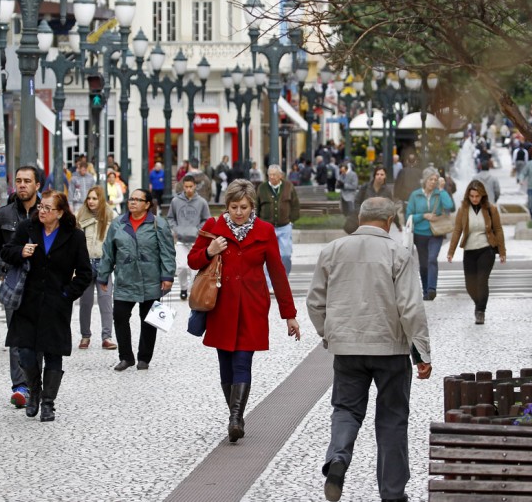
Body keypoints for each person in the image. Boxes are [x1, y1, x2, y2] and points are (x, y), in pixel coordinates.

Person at [306, 197, 432, 502]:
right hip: (391, 349)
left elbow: (314, 302)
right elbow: (411, 307)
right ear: (389, 222)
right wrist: (423, 353)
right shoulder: (398, 252)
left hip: (347, 349)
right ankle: (392, 493)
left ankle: (337, 459)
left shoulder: (332, 250)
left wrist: (330, 333)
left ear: (360, 219)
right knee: (392, 419)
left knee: (346, 410)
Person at [188, 179, 300, 443]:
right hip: (221, 307)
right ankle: (234, 415)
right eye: (234, 207)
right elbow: (193, 260)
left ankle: (236, 418)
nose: (239, 212)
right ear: (227, 206)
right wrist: (209, 250)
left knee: (242, 361)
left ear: (252, 207)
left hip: (252, 306)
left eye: (244, 207)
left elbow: (277, 273)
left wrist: (289, 314)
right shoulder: (213, 227)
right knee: (225, 365)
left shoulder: (265, 230)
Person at [0, 191, 91, 422]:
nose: (42, 211)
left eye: (48, 208)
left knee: (53, 354)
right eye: (41, 206)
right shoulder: (27, 229)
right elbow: (6, 252)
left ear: (60, 212)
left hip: (55, 304)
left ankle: (48, 403)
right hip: (27, 303)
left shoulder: (74, 236)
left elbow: (85, 273)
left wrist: (66, 294)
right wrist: (21, 251)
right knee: (26, 354)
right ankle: (34, 393)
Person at [98, 189, 176, 372]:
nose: (132, 202)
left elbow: (167, 252)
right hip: (125, 279)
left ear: (147, 204)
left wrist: (167, 276)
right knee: (119, 317)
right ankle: (126, 357)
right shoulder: (117, 224)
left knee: (149, 320)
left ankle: (144, 358)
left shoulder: (159, 224)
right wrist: (103, 275)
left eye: (137, 199)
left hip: (150, 279)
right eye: (131, 199)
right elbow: (108, 251)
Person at [0, 165, 42, 408]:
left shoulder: (48, 211)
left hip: (41, 284)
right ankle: (20, 387)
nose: (22, 184)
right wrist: (4, 265)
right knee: (17, 336)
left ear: (37, 185)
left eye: (27, 181)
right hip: (14, 284)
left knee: (40, 338)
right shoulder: (4, 214)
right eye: (18, 180)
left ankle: (36, 384)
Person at [446, 180, 506, 324]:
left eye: (477, 196)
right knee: (470, 284)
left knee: (482, 280)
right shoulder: (463, 210)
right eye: (472, 196)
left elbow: (498, 229)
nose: (474, 199)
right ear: (468, 196)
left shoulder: (491, 209)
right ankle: (478, 303)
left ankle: (480, 311)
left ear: (482, 196)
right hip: (469, 250)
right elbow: (457, 231)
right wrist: (451, 251)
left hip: (487, 249)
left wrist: (502, 251)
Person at [76, 186, 118, 350]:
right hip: (85, 265)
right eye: (89, 198)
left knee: (106, 301)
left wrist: (113, 261)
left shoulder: (111, 216)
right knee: (85, 303)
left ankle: (106, 337)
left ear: (101, 200)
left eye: (94, 198)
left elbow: (116, 241)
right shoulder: (80, 216)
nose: (91, 201)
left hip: (104, 264)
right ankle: (85, 336)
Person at [406, 168, 454, 301]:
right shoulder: (415, 195)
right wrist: (423, 216)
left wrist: (442, 189)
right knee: (423, 263)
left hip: (436, 232)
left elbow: (450, 205)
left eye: (435, 180)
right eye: (430, 179)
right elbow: (408, 216)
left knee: (432, 259)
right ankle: (426, 290)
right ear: (425, 180)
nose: (432, 182)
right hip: (420, 233)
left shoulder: (439, 193)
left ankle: (432, 289)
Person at [167, 175, 211, 300]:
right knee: (181, 267)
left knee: (194, 269)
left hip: (196, 240)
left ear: (195, 186)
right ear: (183, 187)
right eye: (186, 187)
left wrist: (198, 230)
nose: (188, 189)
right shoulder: (176, 201)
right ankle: (183, 287)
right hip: (180, 239)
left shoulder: (201, 202)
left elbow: (206, 219)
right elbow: (170, 217)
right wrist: (176, 229)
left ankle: (193, 291)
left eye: (191, 186)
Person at [257, 165, 301, 285]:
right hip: (267, 227)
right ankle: (268, 283)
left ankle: (283, 278)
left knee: (285, 254)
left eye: (274, 174)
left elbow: (295, 205)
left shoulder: (288, 186)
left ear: (280, 176)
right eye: (269, 175)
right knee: (268, 256)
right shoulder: (262, 188)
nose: (272, 177)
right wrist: (258, 223)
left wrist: (292, 219)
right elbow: (257, 206)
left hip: (285, 226)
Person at [350, 165, 401, 232]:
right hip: (365, 223)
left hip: (379, 225)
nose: (379, 176)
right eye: (377, 174)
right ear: (374, 175)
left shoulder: (387, 191)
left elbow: (392, 208)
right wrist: (360, 214)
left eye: (382, 174)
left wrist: (398, 225)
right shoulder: (365, 187)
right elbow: (357, 202)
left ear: (385, 176)